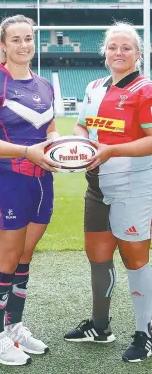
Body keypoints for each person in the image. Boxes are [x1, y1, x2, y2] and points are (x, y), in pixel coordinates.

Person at [0, 14, 59, 366]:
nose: (24, 45)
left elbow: (50, 125)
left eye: (29, 39)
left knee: (24, 258)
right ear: (3, 45)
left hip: (42, 181)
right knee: (5, 261)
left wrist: (55, 144)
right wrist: (27, 152)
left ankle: (15, 326)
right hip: (5, 181)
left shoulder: (44, 85)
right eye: (17, 40)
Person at [64, 22, 152, 363]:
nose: (119, 52)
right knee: (98, 256)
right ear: (105, 52)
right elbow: (83, 125)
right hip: (96, 185)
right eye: (113, 47)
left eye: (126, 47)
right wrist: (81, 146)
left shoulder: (145, 90)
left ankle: (145, 332)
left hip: (133, 185)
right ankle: (100, 327)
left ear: (138, 54)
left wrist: (111, 151)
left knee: (135, 259)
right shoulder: (94, 87)